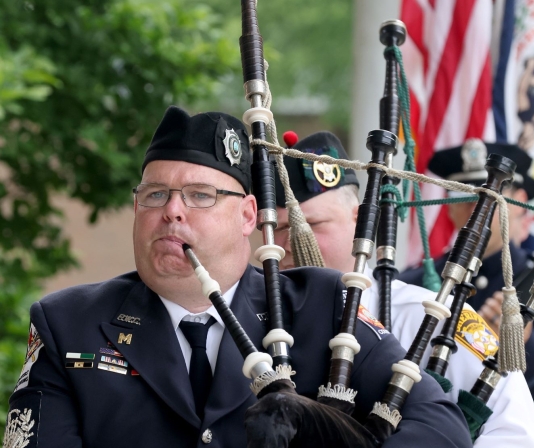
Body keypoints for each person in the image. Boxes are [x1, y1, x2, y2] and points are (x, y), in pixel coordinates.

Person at [4, 107, 472, 448]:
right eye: (154, 195)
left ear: (248, 215)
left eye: (199, 195)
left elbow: (438, 425)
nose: (171, 211)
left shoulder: (322, 308)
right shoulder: (69, 324)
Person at [272, 131, 534, 448]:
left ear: (359, 220)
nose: (288, 245)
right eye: (277, 229)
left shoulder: (429, 316)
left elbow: (521, 435)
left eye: (311, 226)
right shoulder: (253, 316)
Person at [398, 140, 534, 447]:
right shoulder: (414, 285)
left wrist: (523, 350)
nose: (477, 208)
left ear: (520, 201)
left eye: (490, 198)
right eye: (467, 197)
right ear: (449, 207)